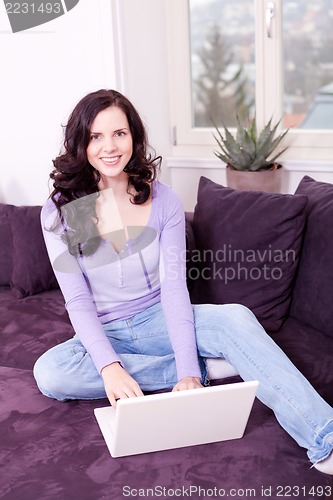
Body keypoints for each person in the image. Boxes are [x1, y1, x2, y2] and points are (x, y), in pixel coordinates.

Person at [34, 89, 333, 474]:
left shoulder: (164, 201)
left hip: (159, 317)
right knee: (51, 372)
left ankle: (324, 438)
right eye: (96, 136)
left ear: (134, 137)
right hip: (106, 330)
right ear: (81, 142)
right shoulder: (59, 212)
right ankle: (215, 368)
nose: (109, 147)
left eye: (119, 134)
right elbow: (78, 301)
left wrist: (189, 375)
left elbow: (175, 287)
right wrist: (109, 366)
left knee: (235, 319)